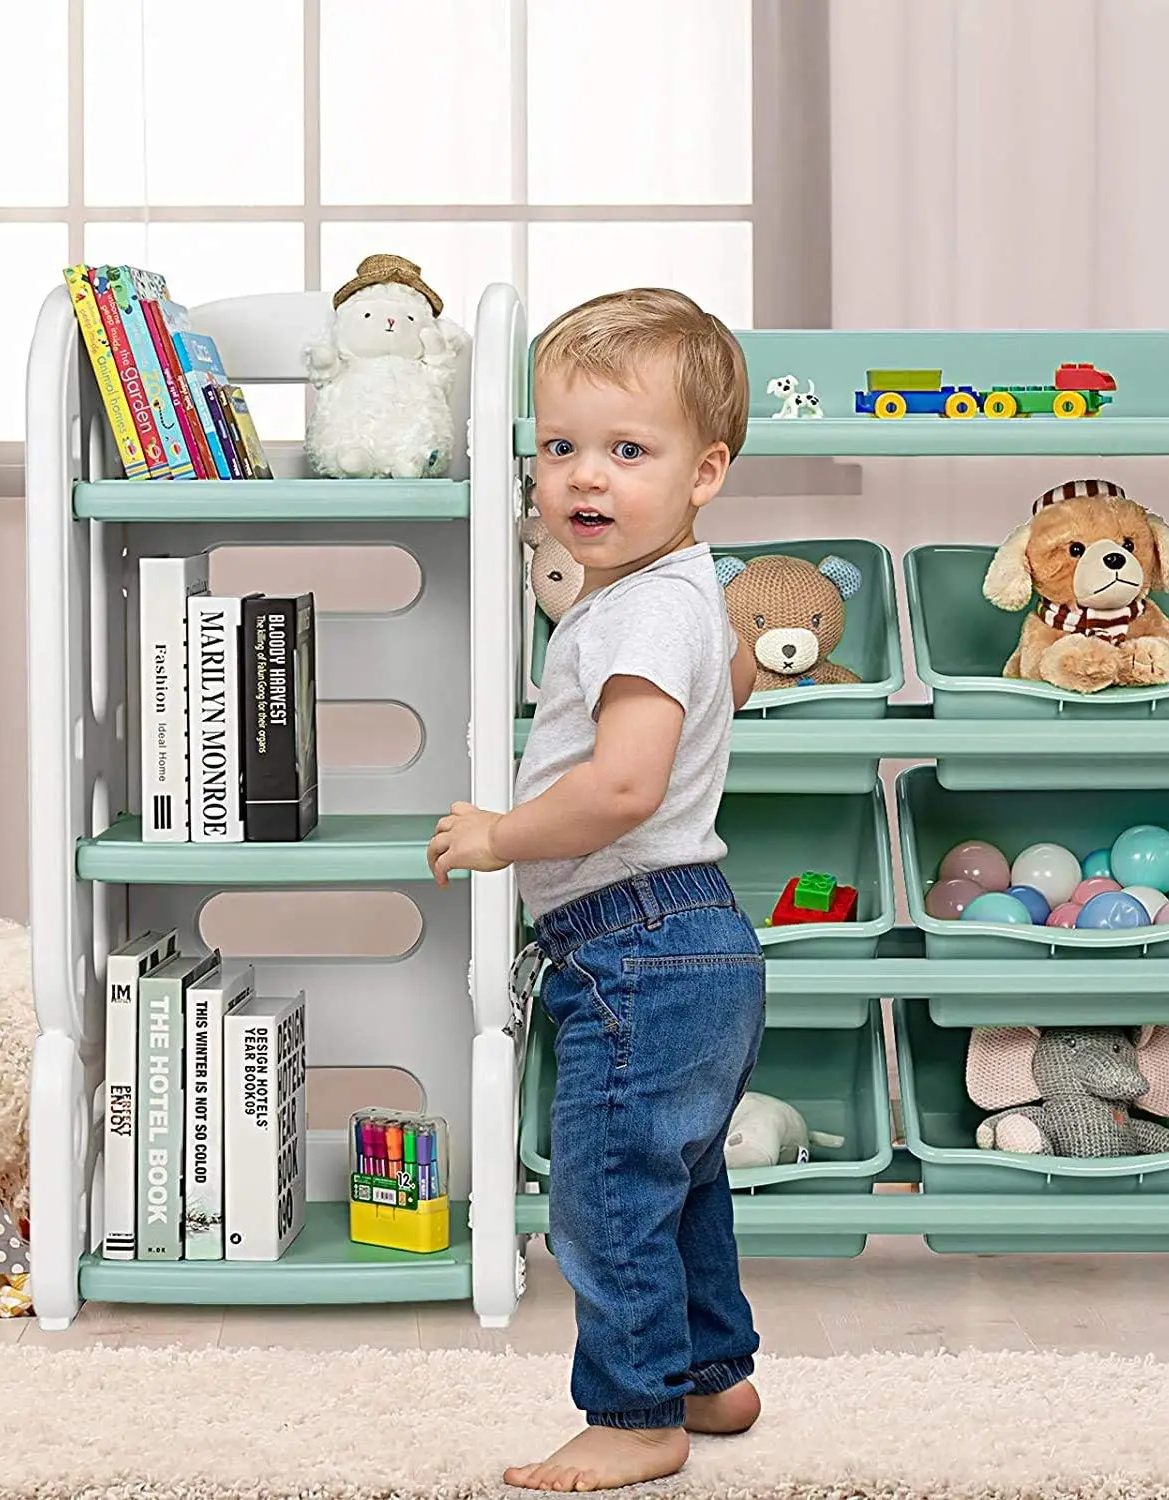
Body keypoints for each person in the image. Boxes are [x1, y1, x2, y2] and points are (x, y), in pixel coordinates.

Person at [427, 286, 764, 1491]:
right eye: (561, 447)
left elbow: (623, 789)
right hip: (692, 941)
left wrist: (502, 834)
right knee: (681, 1178)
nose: (585, 478)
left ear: (704, 471)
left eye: (630, 451)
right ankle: (713, 1376)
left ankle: (633, 1417)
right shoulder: (673, 596)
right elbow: (728, 671)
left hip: (638, 941)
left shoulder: (641, 617)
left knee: (610, 1188)